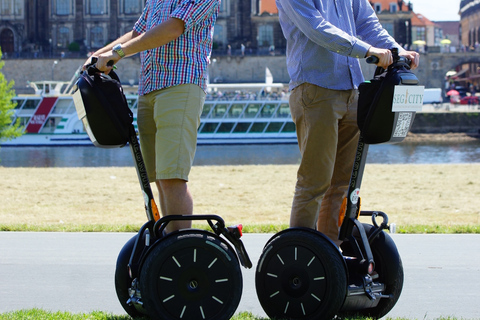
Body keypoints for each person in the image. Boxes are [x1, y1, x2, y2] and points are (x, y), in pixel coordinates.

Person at [275, 0, 420, 245]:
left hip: (352, 90)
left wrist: (396, 50)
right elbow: (316, 28)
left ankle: (330, 256)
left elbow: (367, 23)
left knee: (342, 184)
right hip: (315, 88)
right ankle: (300, 254)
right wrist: (366, 51)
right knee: (315, 182)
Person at [83, 0, 220, 233]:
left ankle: (180, 248)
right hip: (149, 87)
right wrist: (99, 54)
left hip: (181, 84)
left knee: (173, 177)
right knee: (159, 179)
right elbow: (138, 32)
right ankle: (169, 245)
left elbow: (175, 27)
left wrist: (117, 54)